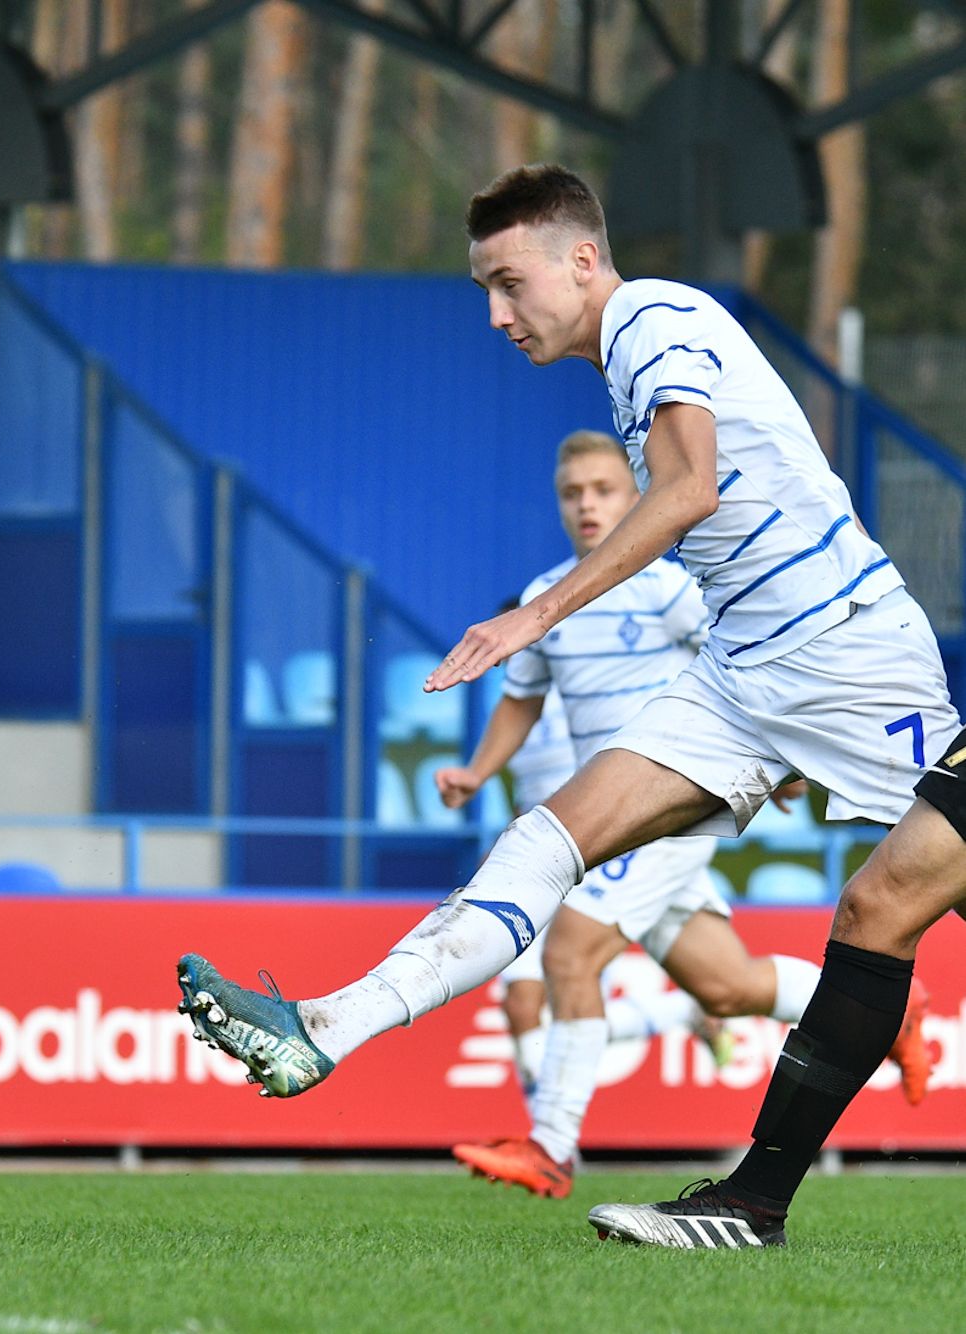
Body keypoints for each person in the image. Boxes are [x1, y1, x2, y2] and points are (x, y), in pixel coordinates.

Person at [176, 163, 957, 1249]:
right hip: (743, 674)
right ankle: (323, 1025)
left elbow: (692, 489)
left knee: (890, 905)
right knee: (546, 839)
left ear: (580, 260)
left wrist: (533, 613)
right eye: (484, 292)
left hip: (842, 656)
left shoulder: (649, 314)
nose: (497, 315)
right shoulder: (629, 355)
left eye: (508, 283)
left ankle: (733, 1192)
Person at [436, 431, 884, 1199]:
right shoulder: (550, 597)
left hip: (671, 807)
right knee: (727, 987)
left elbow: (743, 668)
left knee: (569, 954)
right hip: (610, 822)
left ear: (635, 494)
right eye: (574, 492)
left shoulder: (669, 589)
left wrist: (779, 762)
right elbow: (522, 700)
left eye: (604, 490)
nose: (587, 504)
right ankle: (893, 1017)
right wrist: (477, 773)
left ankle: (551, 1147)